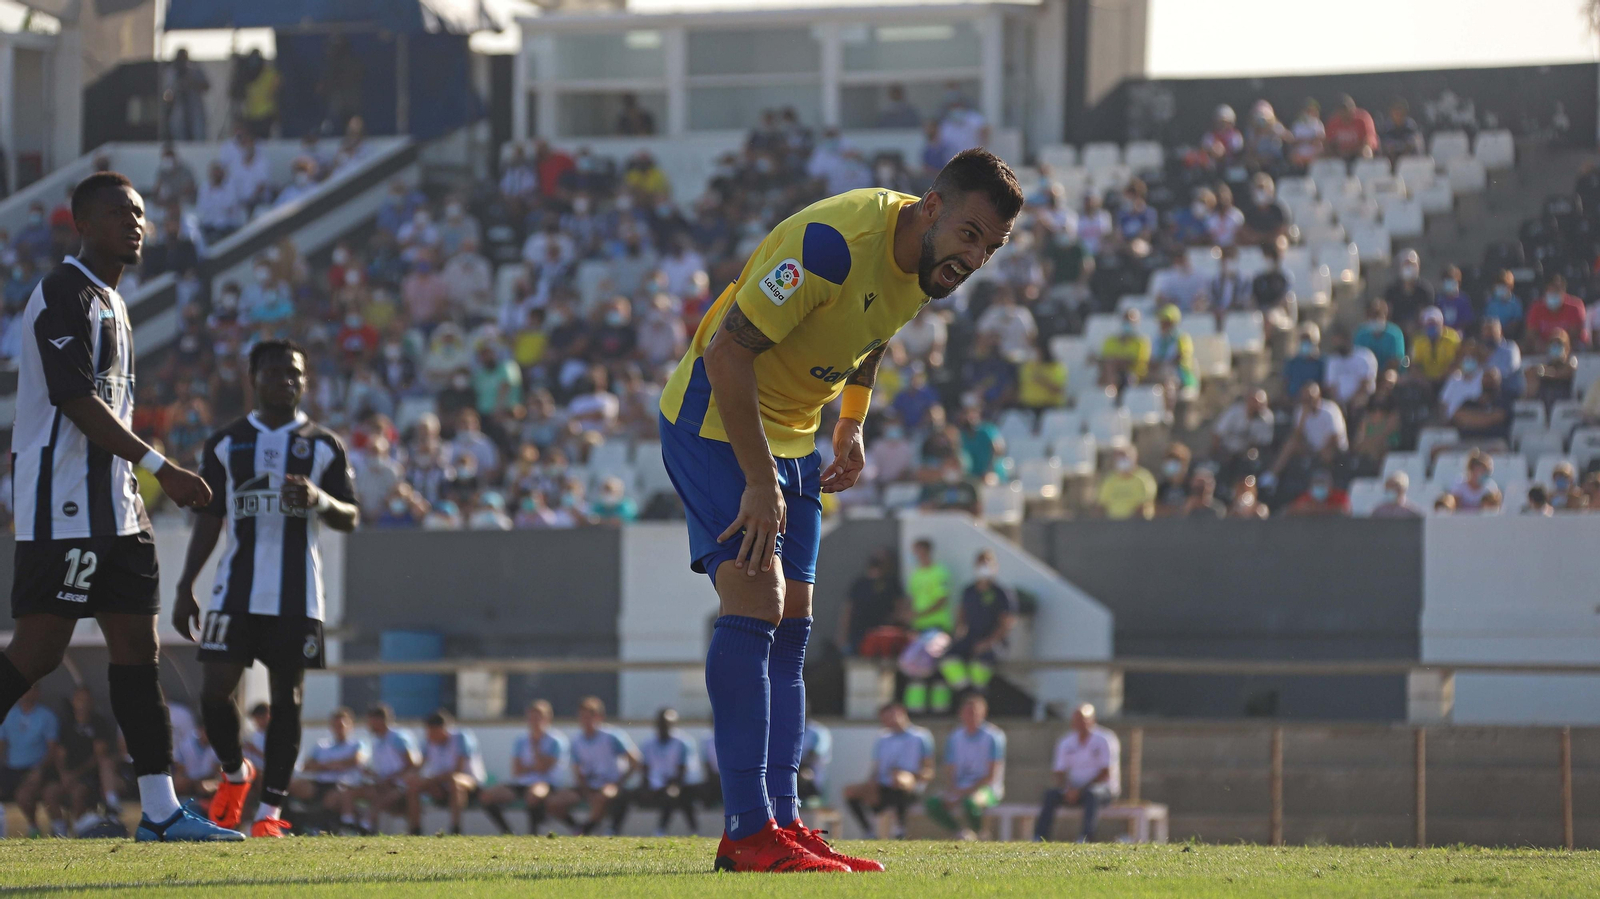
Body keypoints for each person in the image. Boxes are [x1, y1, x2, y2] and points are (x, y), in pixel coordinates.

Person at [654, 147, 1019, 873]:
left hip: (793, 432)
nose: (976, 258)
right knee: (757, 599)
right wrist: (760, 482)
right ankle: (746, 833)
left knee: (794, 628)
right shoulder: (830, 246)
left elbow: (871, 337)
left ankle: (785, 824)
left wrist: (851, 424)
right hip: (717, 420)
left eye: (992, 247)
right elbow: (728, 354)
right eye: (972, 234)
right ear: (933, 206)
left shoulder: (927, 268)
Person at [0, 172, 239, 843]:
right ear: (83, 222)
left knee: (138, 649)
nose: (135, 221)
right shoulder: (60, 293)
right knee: (40, 650)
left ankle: (159, 811)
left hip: (120, 510)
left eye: (139, 212)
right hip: (64, 506)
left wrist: (142, 482)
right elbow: (77, 402)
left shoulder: (116, 301)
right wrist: (164, 467)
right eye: (118, 212)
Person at [173, 339, 360, 839]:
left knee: (288, 701)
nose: (288, 381)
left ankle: (269, 814)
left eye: (295, 374)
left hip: (297, 595)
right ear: (253, 378)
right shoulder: (226, 443)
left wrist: (320, 499)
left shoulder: (325, 445)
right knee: (214, 692)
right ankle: (236, 775)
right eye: (277, 372)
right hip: (234, 591)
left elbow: (350, 516)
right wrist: (185, 586)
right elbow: (209, 520)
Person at [549, 696, 640, 836]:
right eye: (582, 717)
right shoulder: (577, 741)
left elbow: (635, 760)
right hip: (588, 786)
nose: (585, 721)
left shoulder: (612, 736)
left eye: (589, 716)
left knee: (603, 796)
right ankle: (577, 827)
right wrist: (586, 791)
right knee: (554, 802)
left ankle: (586, 830)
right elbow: (577, 771)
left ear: (599, 717)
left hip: (610, 784)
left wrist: (619, 783)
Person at [843, 703, 935, 841]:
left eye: (892, 716)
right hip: (883, 785)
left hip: (908, 786)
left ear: (902, 712)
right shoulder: (883, 738)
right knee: (850, 791)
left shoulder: (920, 736)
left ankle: (900, 828)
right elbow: (876, 768)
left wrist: (911, 776)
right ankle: (869, 831)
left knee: (899, 779)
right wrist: (871, 783)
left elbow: (928, 770)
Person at [1034, 704, 1120, 843]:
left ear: (1092, 720)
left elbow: (1105, 773)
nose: (1080, 723)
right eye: (1077, 720)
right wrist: (1068, 789)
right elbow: (1059, 772)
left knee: (1093, 794)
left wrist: (1080, 790)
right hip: (1073, 790)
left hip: (1102, 790)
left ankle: (1085, 838)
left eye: (1083, 719)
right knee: (1050, 795)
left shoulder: (1105, 739)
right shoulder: (1066, 742)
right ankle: (1039, 837)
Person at [924, 695, 1006, 841]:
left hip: (987, 788)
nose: (970, 716)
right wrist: (954, 789)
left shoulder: (993, 736)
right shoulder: (955, 737)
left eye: (974, 712)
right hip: (960, 787)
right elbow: (950, 769)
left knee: (971, 803)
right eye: (967, 712)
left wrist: (965, 792)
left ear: (983, 713)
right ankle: (961, 833)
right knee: (933, 804)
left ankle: (980, 835)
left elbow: (991, 775)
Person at [482, 700, 567, 836]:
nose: (534, 721)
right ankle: (508, 833)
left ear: (547, 718)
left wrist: (536, 747)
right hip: (522, 782)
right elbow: (517, 770)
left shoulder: (555, 741)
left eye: (538, 717)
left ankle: (533, 834)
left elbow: (544, 768)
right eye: (531, 717)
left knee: (534, 795)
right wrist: (532, 767)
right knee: (488, 796)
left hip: (546, 782)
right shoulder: (521, 740)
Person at [940, 550, 1018, 699]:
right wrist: (956, 637)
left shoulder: (1002, 592)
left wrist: (988, 643)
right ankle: (965, 693)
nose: (984, 566)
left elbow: (1007, 623)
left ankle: (977, 695)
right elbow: (961, 618)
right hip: (972, 637)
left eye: (988, 562)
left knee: (980, 664)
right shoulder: (968, 591)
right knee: (949, 658)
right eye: (981, 562)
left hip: (994, 642)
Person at [44, 686, 121, 833]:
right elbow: (60, 755)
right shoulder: (67, 723)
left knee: (78, 793)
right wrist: (64, 775)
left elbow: (99, 755)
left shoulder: (99, 723)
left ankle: (79, 830)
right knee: (50, 792)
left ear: (92, 702)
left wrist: (76, 775)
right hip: (67, 774)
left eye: (86, 700)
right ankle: (60, 830)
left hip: (88, 775)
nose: (83, 704)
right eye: (79, 700)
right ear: (73, 701)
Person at [403, 709, 484, 836]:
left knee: (454, 782)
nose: (430, 735)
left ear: (443, 729)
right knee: (413, 786)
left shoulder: (461, 738)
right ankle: (415, 830)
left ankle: (455, 829)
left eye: (433, 732)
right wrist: (410, 776)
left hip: (468, 783)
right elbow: (419, 766)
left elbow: (457, 771)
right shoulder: (428, 742)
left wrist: (432, 780)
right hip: (440, 783)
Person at [288, 707, 367, 833]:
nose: (339, 729)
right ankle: (287, 822)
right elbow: (307, 765)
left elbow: (357, 760)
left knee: (332, 798)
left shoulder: (357, 744)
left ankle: (333, 827)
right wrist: (329, 766)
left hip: (341, 785)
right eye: (336, 726)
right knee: (293, 786)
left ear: (350, 726)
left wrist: (327, 765)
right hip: (320, 783)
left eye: (342, 726)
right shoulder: (322, 745)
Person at [633, 707, 702, 837]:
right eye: (661, 723)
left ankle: (665, 829)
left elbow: (684, 769)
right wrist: (647, 785)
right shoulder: (648, 744)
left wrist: (674, 785)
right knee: (627, 795)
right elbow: (645, 768)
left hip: (680, 784)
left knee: (674, 796)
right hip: (656, 784)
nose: (664, 727)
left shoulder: (683, 743)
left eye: (667, 724)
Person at [0, 685, 57, 837]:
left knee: (23, 795)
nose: (26, 694)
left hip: (36, 768)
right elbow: (2, 744)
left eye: (31, 689)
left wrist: (39, 769)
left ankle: (34, 828)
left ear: (38, 693)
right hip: (11, 769)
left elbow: (53, 749)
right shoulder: (8, 715)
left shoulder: (46, 716)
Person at [354, 703, 418, 834]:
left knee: (382, 798)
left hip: (401, 785)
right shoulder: (376, 741)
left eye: (371, 721)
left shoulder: (398, 738)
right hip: (383, 783)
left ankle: (366, 824)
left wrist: (391, 779)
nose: (369, 725)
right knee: (356, 792)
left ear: (380, 720)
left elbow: (412, 764)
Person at [837, 548, 906, 656]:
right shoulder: (859, 583)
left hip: (882, 635)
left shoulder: (891, 583)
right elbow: (848, 609)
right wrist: (842, 635)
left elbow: (900, 606)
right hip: (859, 633)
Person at [1526, 273, 1590, 350]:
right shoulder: (1536, 308)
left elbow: (1576, 333)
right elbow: (1531, 333)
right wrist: (1544, 347)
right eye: (1551, 290)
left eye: (1557, 290)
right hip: (1543, 350)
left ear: (1563, 291)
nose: (1554, 293)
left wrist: (1561, 346)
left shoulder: (1575, 307)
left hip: (1571, 348)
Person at [1095, 446, 1157, 521]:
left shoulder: (1144, 478)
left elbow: (1145, 504)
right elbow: (1102, 505)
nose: (1123, 460)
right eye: (1120, 457)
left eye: (1126, 457)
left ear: (1135, 458)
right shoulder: (1109, 480)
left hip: (1138, 523)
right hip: (1113, 524)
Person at [1097, 308, 1150, 390]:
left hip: (1133, 375)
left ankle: (1111, 396)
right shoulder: (1110, 340)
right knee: (1104, 375)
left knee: (1110, 370)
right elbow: (1105, 359)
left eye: (1131, 320)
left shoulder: (1141, 342)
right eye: (1125, 320)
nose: (1127, 323)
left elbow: (1136, 362)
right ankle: (1108, 396)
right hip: (1114, 373)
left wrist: (1116, 360)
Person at [1383, 249, 1434, 332]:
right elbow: (1388, 316)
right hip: (1397, 331)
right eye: (1406, 264)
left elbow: (1428, 315)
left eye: (1413, 264)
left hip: (1420, 332)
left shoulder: (1425, 290)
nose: (1409, 267)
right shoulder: (1391, 291)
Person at [1410, 307, 1461, 385]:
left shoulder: (1453, 338)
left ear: (1442, 324)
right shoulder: (1418, 340)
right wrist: (1423, 380)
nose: (1432, 327)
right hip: (1425, 380)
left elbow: (1457, 360)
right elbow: (1414, 364)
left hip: (1447, 379)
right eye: (1429, 324)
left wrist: (1442, 377)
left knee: (1457, 375)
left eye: (1435, 324)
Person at [1355, 299, 1407, 372]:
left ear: (1385, 315)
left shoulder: (1395, 334)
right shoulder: (1361, 334)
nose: (1375, 319)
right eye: (1372, 316)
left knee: (1390, 377)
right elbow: (1356, 358)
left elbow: (1395, 360)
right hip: (1367, 373)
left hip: (1389, 372)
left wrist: (1380, 375)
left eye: (1378, 315)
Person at [1325, 95, 1378, 159]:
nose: (1345, 113)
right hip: (1340, 154)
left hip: (1358, 152)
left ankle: (1367, 168)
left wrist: (1356, 150)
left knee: (1367, 151)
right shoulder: (1334, 122)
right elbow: (1328, 143)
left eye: (1347, 109)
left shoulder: (1363, 119)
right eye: (1342, 110)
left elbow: (1369, 140)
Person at [798, 715, 831, 810]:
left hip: (813, 782)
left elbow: (814, 756)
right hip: (796, 777)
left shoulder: (818, 732)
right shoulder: (788, 730)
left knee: (803, 774)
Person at [1286, 469, 1351, 516]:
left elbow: (1345, 511)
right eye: (1317, 483)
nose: (1320, 485)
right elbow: (1292, 510)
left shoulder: (1339, 496)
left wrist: (1317, 510)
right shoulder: (1306, 497)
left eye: (1322, 483)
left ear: (1330, 485)